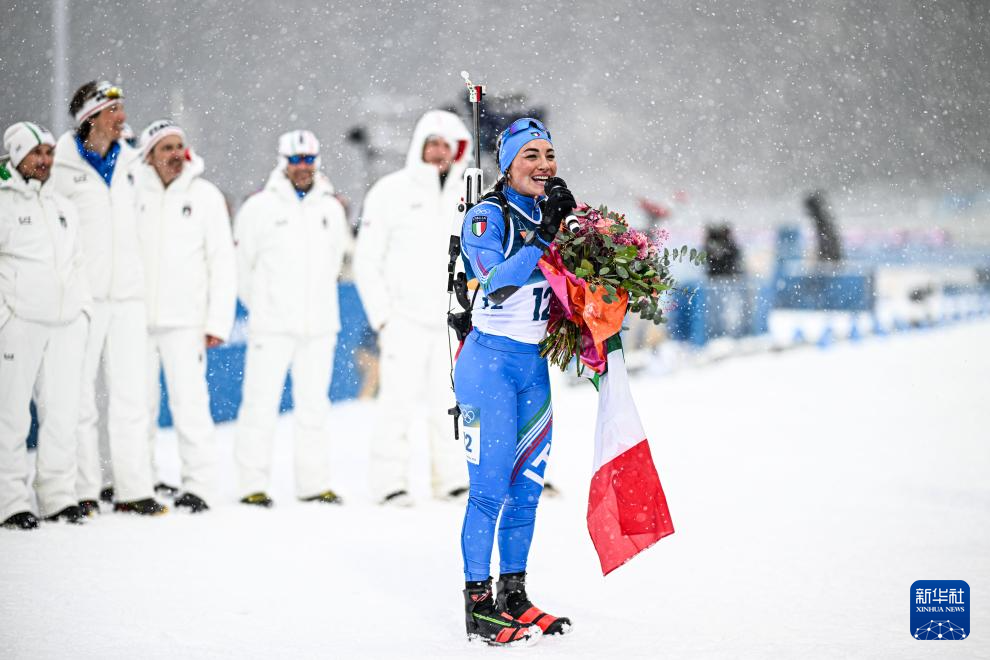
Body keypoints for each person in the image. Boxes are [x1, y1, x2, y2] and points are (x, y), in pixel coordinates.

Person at [454, 118, 576, 645]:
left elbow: (573, 283)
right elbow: (495, 283)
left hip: (532, 367)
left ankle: (513, 595)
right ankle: (478, 606)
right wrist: (546, 235)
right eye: (531, 155)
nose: (543, 165)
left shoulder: (554, 211)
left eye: (549, 154)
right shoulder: (488, 216)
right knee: (489, 491)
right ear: (507, 165)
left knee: (527, 492)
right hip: (488, 367)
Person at [51, 80, 165, 516]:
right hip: (84, 297)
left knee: (132, 396)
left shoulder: (133, 162)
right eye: (113, 111)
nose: (122, 117)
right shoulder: (60, 164)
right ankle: (82, 489)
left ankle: (133, 489)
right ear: (91, 118)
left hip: (129, 297)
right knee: (78, 397)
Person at [352, 110, 470, 506]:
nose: (438, 152)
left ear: (458, 151)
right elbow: (367, 259)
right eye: (431, 144)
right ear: (419, 146)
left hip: (450, 321)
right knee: (396, 404)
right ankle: (389, 482)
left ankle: (450, 478)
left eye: (446, 145)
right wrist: (383, 316)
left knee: (450, 404)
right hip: (403, 319)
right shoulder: (390, 192)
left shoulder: (468, 196)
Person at [233, 130, 350, 507]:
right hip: (272, 326)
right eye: (296, 160)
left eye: (309, 159)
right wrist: (265, 306)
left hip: (319, 325)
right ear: (283, 162)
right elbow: (242, 269)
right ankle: (252, 484)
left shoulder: (330, 209)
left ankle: (314, 484)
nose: (303, 167)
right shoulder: (259, 208)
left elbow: (335, 261)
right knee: (259, 404)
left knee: (314, 407)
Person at [135, 119, 237, 513]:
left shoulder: (205, 195)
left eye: (180, 146)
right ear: (149, 155)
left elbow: (222, 262)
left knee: (190, 406)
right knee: (136, 406)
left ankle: (199, 484)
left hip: (187, 321)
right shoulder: (131, 191)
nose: (176, 154)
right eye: (167, 148)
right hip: (136, 320)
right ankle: (136, 482)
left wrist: (217, 321)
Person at [0, 122, 91, 529]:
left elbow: (77, 262)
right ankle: (9, 501)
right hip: (18, 323)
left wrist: (82, 311)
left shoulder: (61, 205)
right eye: (36, 153)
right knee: (10, 415)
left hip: (65, 323)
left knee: (63, 413)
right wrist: (5, 315)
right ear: (17, 155)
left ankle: (58, 495)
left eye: (50, 153)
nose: (45, 161)